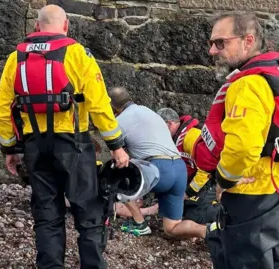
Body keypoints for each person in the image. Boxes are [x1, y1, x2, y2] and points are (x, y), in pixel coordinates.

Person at [0, 4, 129, 269]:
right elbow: (99, 103)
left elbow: (2, 107)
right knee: (88, 213)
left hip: (35, 147)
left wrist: (10, 148)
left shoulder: (15, 58)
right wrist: (116, 146)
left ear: (36, 26)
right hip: (73, 145)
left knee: (47, 214)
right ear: (66, 26)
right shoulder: (78, 54)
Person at [204, 12, 279, 268]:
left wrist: (224, 179)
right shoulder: (274, 75)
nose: (213, 50)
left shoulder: (247, 84)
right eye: (212, 43)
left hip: (252, 192)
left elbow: (243, 147)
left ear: (248, 40)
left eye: (221, 42)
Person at [109, 87, 207, 239]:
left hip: (158, 169)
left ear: (112, 106)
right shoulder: (150, 112)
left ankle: (139, 223)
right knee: (171, 228)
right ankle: (208, 231)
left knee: (118, 177)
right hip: (179, 168)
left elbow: (119, 157)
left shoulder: (117, 122)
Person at [156, 107, 220, 224]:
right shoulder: (176, 138)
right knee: (177, 209)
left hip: (212, 180)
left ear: (170, 124)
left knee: (194, 216)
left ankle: (223, 214)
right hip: (196, 180)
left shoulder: (191, 137)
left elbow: (206, 170)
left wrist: (187, 193)